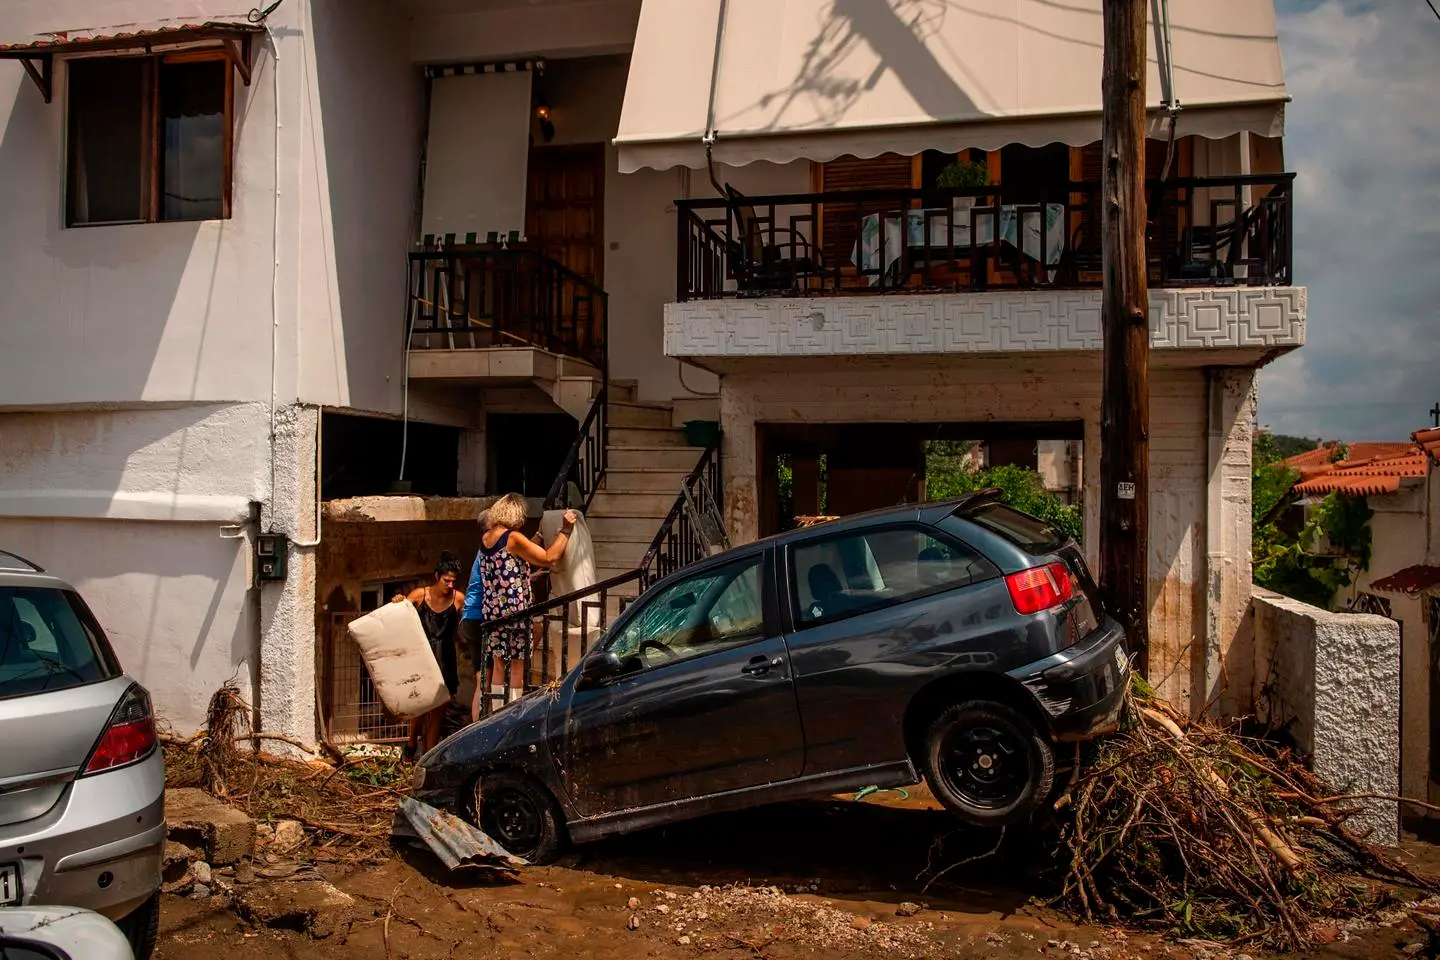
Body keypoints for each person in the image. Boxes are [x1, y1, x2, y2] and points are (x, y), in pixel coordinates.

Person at [459, 494, 576, 720]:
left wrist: (540, 535)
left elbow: (519, 554)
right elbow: (549, 558)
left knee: (498, 667)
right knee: (517, 667)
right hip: (515, 614)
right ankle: (513, 718)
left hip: (492, 615)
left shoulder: (487, 538)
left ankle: (495, 719)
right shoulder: (513, 537)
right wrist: (566, 531)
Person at [390, 551, 463, 757]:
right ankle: (412, 744)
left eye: (453, 581)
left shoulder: (458, 599)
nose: (450, 585)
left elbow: (469, 623)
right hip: (422, 655)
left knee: (439, 707)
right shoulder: (419, 595)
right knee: (421, 704)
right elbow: (397, 613)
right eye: (446, 580)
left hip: (446, 657)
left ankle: (428, 756)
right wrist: (398, 600)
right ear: (436, 576)